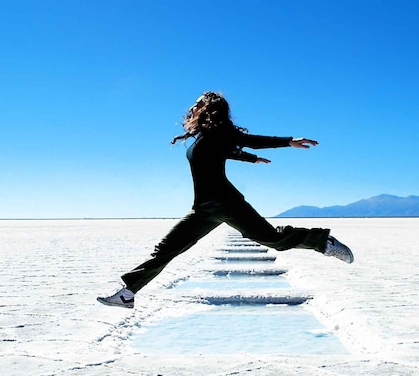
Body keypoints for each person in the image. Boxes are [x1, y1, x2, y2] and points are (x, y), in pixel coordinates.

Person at [97, 91, 353, 309]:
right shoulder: (207, 137)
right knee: (166, 249)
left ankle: (323, 241)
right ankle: (128, 294)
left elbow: (249, 140)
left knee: (273, 239)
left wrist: (287, 142)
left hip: (226, 202)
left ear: (209, 108)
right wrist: (251, 159)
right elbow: (227, 152)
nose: (192, 108)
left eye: (197, 104)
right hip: (204, 209)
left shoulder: (222, 132)